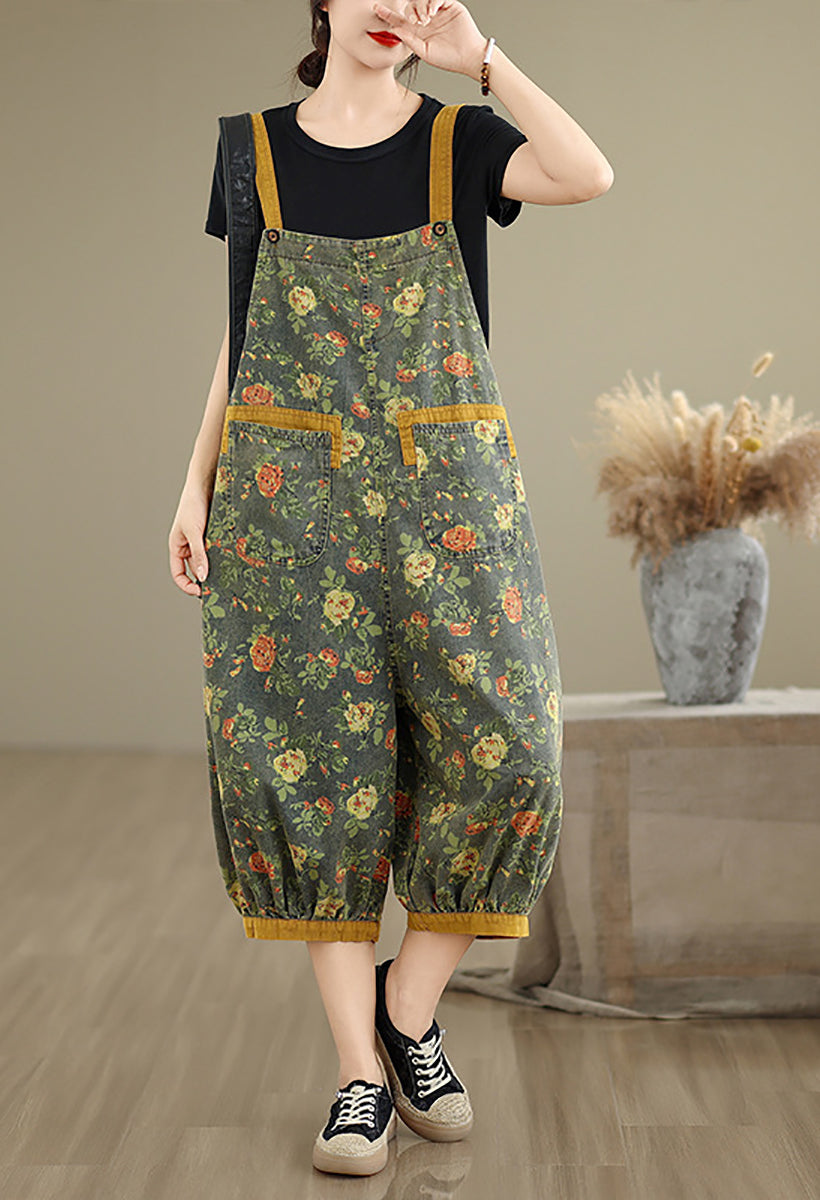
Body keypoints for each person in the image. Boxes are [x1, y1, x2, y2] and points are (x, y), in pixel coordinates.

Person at [168, 0, 613, 1178]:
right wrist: (195, 483)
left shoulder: (460, 142)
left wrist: (486, 62)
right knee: (314, 775)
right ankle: (358, 1075)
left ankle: (406, 1010)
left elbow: (587, 172)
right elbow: (241, 336)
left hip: (452, 501)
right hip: (284, 507)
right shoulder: (252, 152)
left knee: (513, 751)